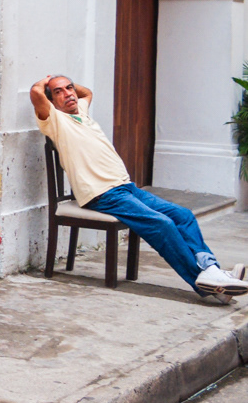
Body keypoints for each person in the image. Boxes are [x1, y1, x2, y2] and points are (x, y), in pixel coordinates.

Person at [31, 75, 248, 301]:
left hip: (127, 188)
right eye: (58, 92)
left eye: (69, 88)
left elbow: (87, 93)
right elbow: (36, 93)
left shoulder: (82, 112)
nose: (68, 94)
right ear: (51, 101)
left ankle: (212, 271)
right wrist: (48, 81)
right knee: (162, 224)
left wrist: (67, 85)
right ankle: (205, 284)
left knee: (183, 216)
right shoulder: (55, 120)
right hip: (102, 194)